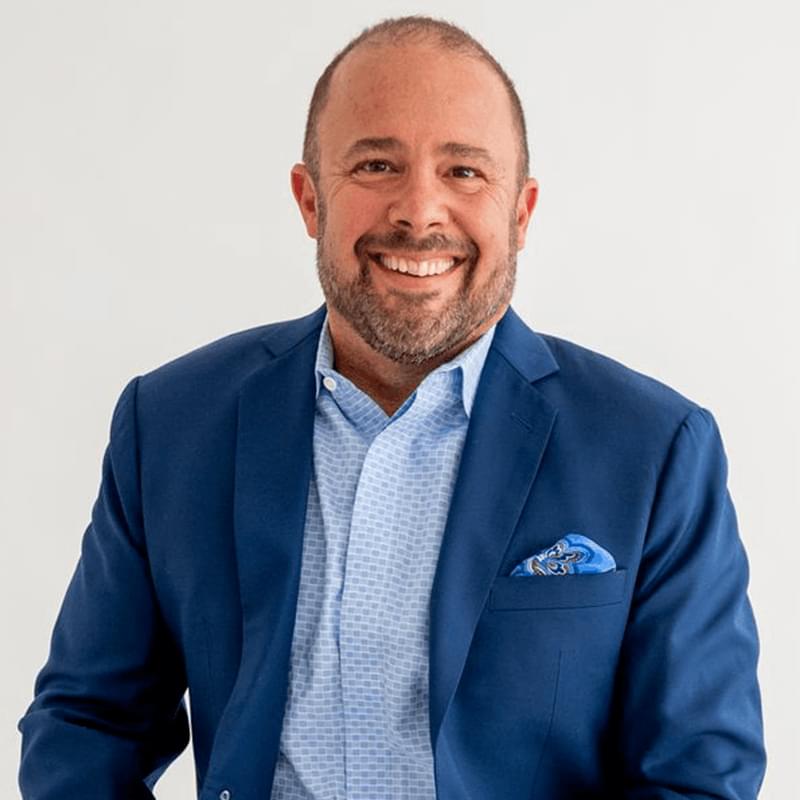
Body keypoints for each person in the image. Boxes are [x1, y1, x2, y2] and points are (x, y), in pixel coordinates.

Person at [18, 15, 766, 800]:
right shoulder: (173, 425)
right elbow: (87, 723)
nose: (420, 211)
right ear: (310, 199)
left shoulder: (653, 451)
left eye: (464, 171)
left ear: (521, 212)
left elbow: (697, 775)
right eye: (377, 165)